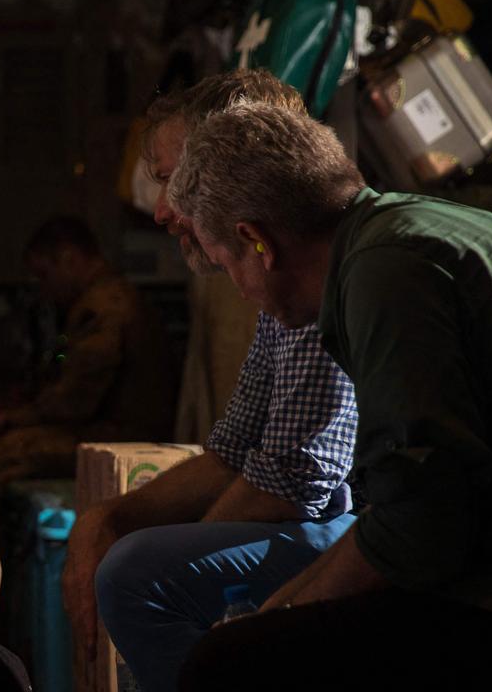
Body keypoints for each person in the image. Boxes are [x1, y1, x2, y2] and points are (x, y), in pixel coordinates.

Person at [172, 101, 492, 687]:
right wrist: (275, 611)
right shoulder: (399, 232)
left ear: (256, 241)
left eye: (227, 263)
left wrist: (273, 621)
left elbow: (421, 522)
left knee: (226, 666)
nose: (238, 290)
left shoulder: (385, 274)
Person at [61, 69, 359, 692]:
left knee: (137, 575)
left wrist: (177, 556)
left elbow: (296, 480)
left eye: (175, 181)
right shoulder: (274, 285)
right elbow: (231, 450)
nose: (164, 210)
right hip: (346, 520)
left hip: (361, 525)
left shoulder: (310, 274)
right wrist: (108, 516)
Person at [0, 216, 178, 555]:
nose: (43, 287)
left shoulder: (104, 307)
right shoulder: (104, 298)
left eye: (45, 274)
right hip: (108, 427)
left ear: (69, 258)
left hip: (116, 435)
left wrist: (16, 417)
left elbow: (76, 400)